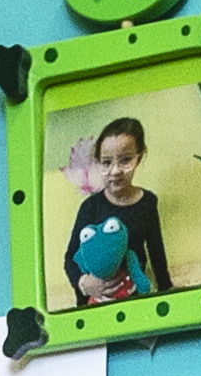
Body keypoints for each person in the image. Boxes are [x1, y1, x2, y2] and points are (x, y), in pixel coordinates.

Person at [64, 114, 174, 305]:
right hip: (96, 298)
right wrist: (83, 282)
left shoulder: (147, 202)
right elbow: (71, 258)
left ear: (138, 158)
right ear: (98, 163)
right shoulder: (90, 207)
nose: (115, 171)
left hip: (133, 294)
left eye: (125, 160)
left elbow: (156, 251)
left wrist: (166, 290)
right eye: (106, 163)